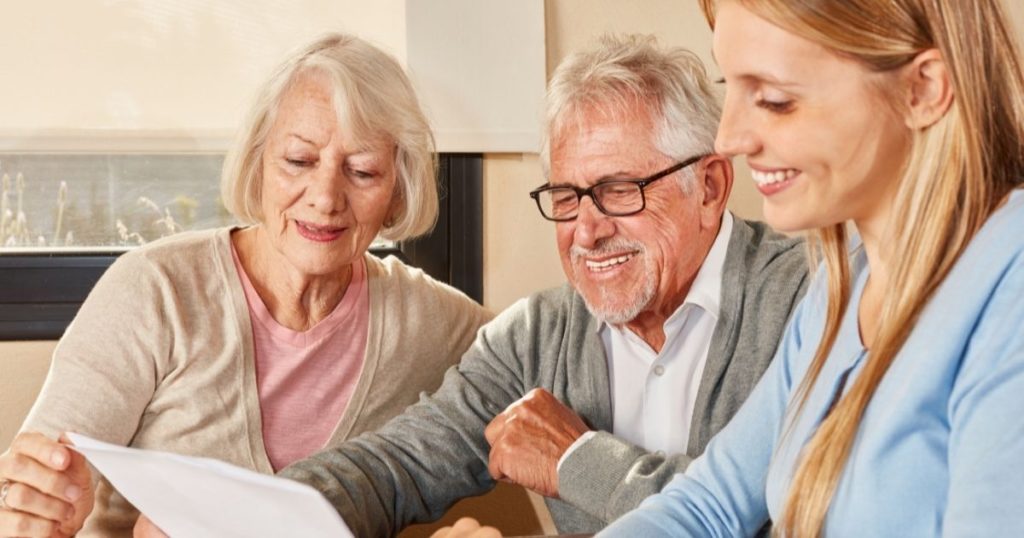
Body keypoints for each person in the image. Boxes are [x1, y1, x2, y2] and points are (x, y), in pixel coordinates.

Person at [277, 34, 808, 536]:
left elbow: (807, 517)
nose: (587, 231)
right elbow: (398, 466)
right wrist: (259, 508)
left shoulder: (810, 301)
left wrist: (577, 461)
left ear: (710, 187)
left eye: (619, 190)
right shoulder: (536, 335)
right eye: (565, 196)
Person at [0, 33, 490, 538]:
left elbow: (547, 364)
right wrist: (36, 511)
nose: (325, 197)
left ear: (398, 191)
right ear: (258, 164)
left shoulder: (430, 321)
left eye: (362, 171)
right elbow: (23, 496)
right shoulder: (156, 290)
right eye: (299, 161)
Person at [600, 0, 1024, 536]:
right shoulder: (842, 287)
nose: (728, 139)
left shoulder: (1010, 284)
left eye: (775, 101)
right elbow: (708, 505)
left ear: (923, 90)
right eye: (727, 84)